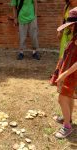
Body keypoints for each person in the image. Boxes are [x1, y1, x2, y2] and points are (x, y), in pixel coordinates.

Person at [52, 7, 77, 139]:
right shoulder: (75, 36)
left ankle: (67, 126)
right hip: (70, 73)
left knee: (62, 98)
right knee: (69, 96)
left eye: (73, 25)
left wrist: (64, 74)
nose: (71, 28)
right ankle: (69, 118)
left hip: (72, 74)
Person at [50, 0, 77, 85]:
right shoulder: (66, 7)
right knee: (64, 53)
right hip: (66, 32)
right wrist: (60, 31)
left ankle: (68, 75)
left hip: (75, 33)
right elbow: (62, 19)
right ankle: (59, 73)